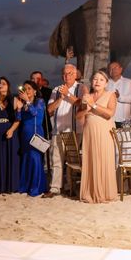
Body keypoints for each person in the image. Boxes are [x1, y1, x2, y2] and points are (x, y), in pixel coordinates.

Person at [43, 63, 86, 198]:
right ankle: (55, 188)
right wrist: (61, 97)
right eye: (65, 74)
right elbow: (49, 109)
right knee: (56, 160)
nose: (67, 76)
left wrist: (68, 94)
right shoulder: (56, 89)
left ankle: (70, 188)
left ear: (75, 75)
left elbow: (82, 104)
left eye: (70, 73)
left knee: (72, 161)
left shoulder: (81, 87)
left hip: (74, 130)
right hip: (58, 130)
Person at [78, 70, 118, 203]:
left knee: (102, 158)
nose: (97, 82)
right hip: (89, 132)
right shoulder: (87, 96)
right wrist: (86, 108)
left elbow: (109, 114)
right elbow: (78, 116)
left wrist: (93, 104)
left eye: (101, 79)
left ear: (106, 83)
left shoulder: (110, 95)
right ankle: (90, 192)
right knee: (91, 160)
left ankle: (104, 192)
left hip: (104, 132)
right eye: (95, 79)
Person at [16, 80, 48, 196]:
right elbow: (19, 119)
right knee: (26, 159)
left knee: (35, 159)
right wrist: (19, 109)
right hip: (25, 134)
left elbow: (35, 114)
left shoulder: (40, 101)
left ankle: (36, 188)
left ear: (35, 91)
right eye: (25, 89)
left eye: (29, 88)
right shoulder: (24, 103)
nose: (26, 91)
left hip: (36, 133)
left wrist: (28, 101)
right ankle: (25, 186)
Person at [106, 61, 131, 128]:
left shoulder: (128, 82)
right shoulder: (106, 83)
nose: (113, 70)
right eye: (111, 68)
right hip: (109, 119)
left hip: (124, 119)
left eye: (115, 68)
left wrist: (119, 97)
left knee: (124, 138)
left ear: (121, 69)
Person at [30, 70, 53, 137]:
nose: (35, 81)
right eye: (33, 79)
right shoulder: (27, 92)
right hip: (30, 124)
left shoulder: (49, 92)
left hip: (44, 125)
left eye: (38, 78)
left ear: (42, 80)